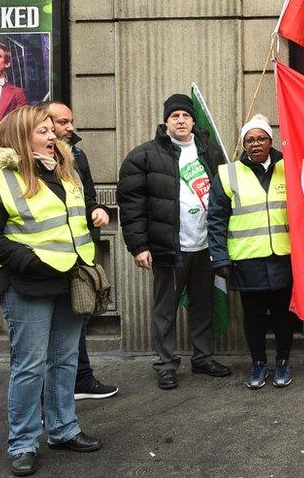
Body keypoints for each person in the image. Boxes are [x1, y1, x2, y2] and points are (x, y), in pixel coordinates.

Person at [0, 106, 103, 476]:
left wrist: (96, 216)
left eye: (51, 130)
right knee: (28, 366)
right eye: (42, 131)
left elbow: (76, 216)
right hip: (27, 282)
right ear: (20, 135)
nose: (52, 136)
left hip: (69, 277)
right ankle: (23, 442)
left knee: (63, 361)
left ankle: (63, 430)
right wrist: (29, 261)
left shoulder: (64, 168)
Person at [117, 94, 230, 390]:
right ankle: (166, 365)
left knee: (203, 305)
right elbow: (131, 206)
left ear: (193, 120)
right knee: (165, 309)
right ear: (166, 121)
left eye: (185, 116)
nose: (180, 120)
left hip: (206, 245)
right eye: (174, 116)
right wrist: (139, 246)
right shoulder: (143, 156)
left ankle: (203, 357)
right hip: (169, 247)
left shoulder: (210, 152)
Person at [208, 114, 296, 389]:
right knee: (254, 316)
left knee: (283, 315)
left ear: (270, 141)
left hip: (284, 257)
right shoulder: (228, 173)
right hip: (247, 259)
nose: (255, 144)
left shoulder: (291, 166)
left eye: (260, 138)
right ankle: (258, 364)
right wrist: (220, 257)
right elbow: (215, 220)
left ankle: (282, 361)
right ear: (243, 144)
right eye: (249, 140)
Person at [43, 101, 119, 400]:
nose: (69, 127)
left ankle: (82, 379)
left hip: (79, 254)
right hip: (43, 261)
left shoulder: (77, 154)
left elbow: (88, 197)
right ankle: (47, 399)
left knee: (79, 315)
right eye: (62, 122)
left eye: (70, 121)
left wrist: (97, 210)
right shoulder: (27, 162)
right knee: (49, 336)